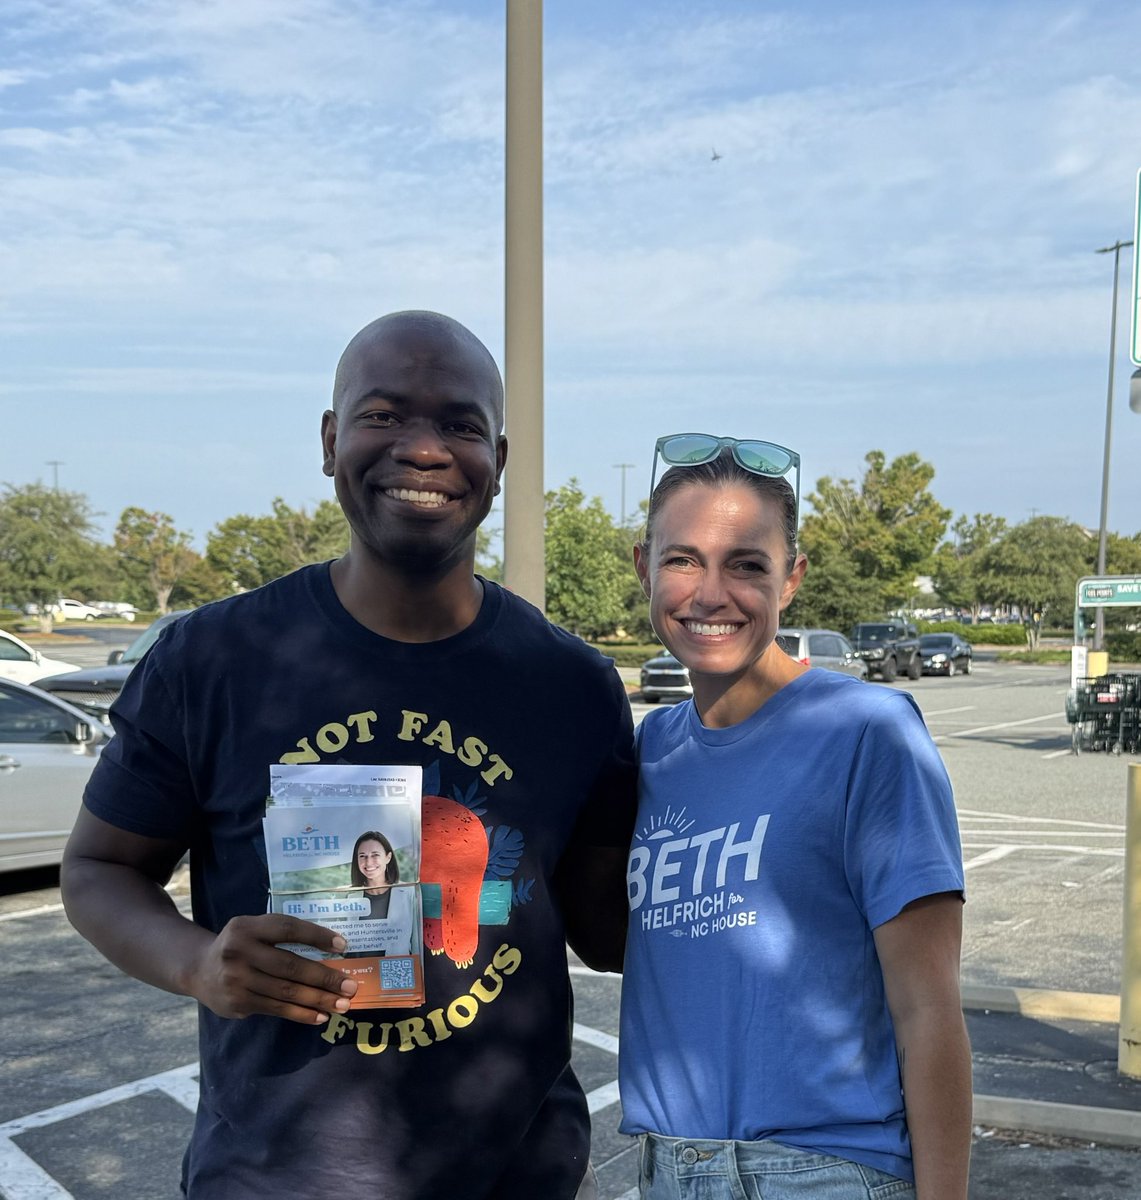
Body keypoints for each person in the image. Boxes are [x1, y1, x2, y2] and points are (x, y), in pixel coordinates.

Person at [60, 311, 636, 1200]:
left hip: (518, 1177)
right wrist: (197, 965)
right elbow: (99, 868)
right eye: (382, 415)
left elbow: (608, 931)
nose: (422, 448)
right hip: (273, 1180)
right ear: (330, 442)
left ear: (499, 459)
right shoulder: (209, 661)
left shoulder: (573, 685)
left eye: (459, 424)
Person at [618, 434, 970, 1199]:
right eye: (682, 559)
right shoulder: (649, 752)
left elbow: (927, 1006)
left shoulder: (865, 731)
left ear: (790, 580)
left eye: (746, 564)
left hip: (821, 1173)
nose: (710, 593)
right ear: (643, 566)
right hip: (668, 1169)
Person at [348, 829, 415, 956]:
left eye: (375, 855)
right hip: (360, 972)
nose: (368, 862)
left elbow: (416, 943)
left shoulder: (409, 893)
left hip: (396, 971)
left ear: (388, 857)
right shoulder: (348, 896)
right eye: (362, 856)